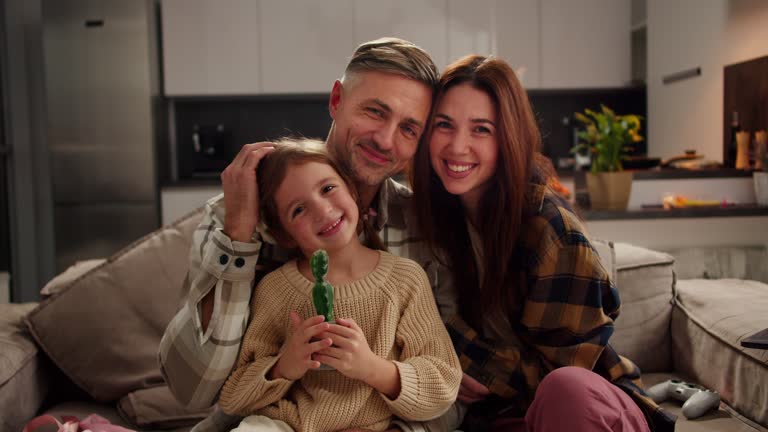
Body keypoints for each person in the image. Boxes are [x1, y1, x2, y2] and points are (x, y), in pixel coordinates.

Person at [158, 38, 447, 432]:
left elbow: (445, 388)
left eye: (408, 129)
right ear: (336, 99)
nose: (384, 140)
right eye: (375, 111)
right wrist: (240, 235)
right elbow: (193, 391)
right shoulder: (238, 219)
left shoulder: (420, 226)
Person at [411, 55, 676, 432]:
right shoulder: (431, 220)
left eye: (481, 129)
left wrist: (462, 361)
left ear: (509, 138)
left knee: (564, 389)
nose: (458, 146)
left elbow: (565, 370)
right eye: (444, 125)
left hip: (581, 408)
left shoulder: (550, 228)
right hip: (503, 417)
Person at [217, 139, 460, 432]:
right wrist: (284, 366)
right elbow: (233, 399)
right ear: (285, 235)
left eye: (327, 189)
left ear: (352, 191)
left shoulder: (405, 279)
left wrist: (372, 368)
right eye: (298, 210)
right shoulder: (275, 289)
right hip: (287, 425)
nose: (322, 210)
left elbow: (443, 383)